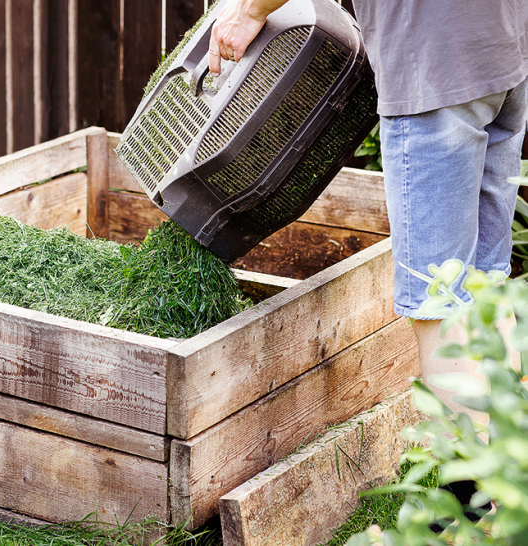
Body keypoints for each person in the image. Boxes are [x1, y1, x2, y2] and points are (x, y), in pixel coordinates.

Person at [209, 0, 528, 421]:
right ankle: (508, 470)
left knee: (441, 302)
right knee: (484, 282)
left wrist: (250, 10)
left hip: (433, 67)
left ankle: (468, 484)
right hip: (503, 51)